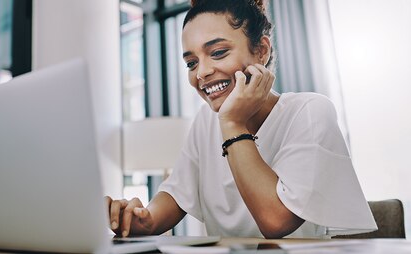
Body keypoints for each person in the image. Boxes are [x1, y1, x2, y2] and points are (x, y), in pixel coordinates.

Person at [105, 0, 377, 239]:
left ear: (261, 50)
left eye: (218, 52)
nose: (202, 72)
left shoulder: (310, 111)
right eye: (191, 63)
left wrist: (233, 124)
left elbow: (276, 220)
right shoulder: (205, 121)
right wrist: (142, 219)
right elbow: (175, 194)